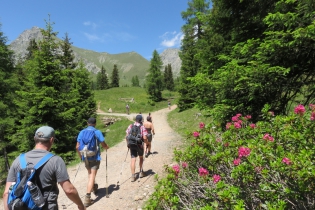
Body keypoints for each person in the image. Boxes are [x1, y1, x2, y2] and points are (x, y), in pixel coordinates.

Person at [2, 126, 86, 210]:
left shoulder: (18, 160)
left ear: (35, 139)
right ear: (51, 140)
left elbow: (6, 193)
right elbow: (69, 190)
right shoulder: (55, 160)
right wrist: (81, 206)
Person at [76, 117, 109, 207]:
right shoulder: (97, 132)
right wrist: (106, 147)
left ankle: (94, 187)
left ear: (87, 123)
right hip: (94, 157)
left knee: (90, 173)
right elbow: (103, 144)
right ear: (95, 123)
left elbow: (77, 147)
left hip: (85, 157)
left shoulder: (82, 132)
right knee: (92, 175)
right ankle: (87, 197)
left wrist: (81, 157)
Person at [125, 115, 148, 182]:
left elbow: (127, 136)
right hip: (139, 145)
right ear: (141, 120)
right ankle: (141, 172)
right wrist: (146, 144)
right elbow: (144, 138)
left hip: (131, 144)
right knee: (141, 157)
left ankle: (133, 176)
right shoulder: (142, 127)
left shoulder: (131, 126)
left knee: (133, 159)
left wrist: (128, 144)